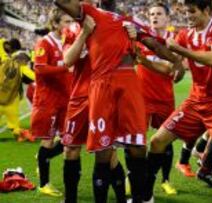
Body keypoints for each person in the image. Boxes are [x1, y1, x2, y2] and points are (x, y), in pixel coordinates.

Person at [54, 1, 184, 202]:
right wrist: (85, 33)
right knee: (87, 149)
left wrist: (176, 62)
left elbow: (153, 45)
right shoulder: (83, 18)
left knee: (133, 147)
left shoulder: (128, 23)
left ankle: (140, 197)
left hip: (122, 85)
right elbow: (68, 60)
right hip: (86, 92)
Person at [144, 0, 212, 202]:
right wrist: (149, 58)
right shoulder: (185, 34)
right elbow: (174, 70)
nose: (188, 16)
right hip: (196, 101)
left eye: (192, 11)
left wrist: (181, 51)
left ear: (206, 10)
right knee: (157, 141)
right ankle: (145, 197)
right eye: (186, 12)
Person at [135, 2, 178, 195]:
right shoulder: (141, 39)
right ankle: (135, 177)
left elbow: (168, 69)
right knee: (137, 142)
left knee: (165, 141)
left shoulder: (173, 41)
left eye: (159, 13)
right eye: (152, 14)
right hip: (141, 97)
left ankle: (166, 179)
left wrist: (142, 60)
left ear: (167, 18)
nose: (154, 17)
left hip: (164, 98)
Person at [32, 8, 73, 197]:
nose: (69, 25)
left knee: (69, 140)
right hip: (47, 100)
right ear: (55, 24)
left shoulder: (67, 40)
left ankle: (42, 158)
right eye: (65, 22)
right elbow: (39, 69)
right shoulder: (44, 42)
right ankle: (44, 183)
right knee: (47, 141)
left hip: (66, 98)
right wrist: (64, 67)